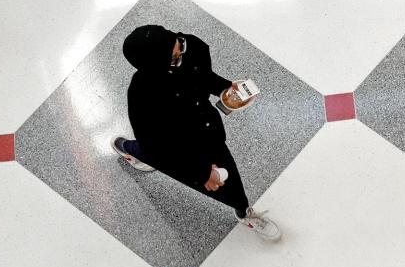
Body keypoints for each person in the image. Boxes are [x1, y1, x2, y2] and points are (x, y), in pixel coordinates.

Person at [112, 25, 281, 241]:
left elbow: (202, 75)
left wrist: (225, 88)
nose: (182, 51)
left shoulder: (188, 45)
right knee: (149, 152)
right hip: (177, 147)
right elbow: (155, 145)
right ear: (156, 66)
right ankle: (128, 149)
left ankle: (243, 209)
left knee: (233, 181)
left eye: (178, 43)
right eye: (174, 57)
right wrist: (201, 173)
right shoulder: (142, 94)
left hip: (207, 132)